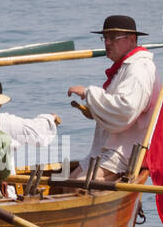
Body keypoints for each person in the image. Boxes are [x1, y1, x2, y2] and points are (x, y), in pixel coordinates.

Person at [66, 15, 156, 182]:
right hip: (109, 147)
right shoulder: (127, 66)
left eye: (113, 38)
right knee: (69, 182)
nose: (107, 43)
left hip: (125, 152)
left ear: (132, 39)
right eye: (105, 38)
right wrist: (95, 110)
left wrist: (89, 94)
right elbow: (117, 106)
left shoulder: (138, 69)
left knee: (79, 185)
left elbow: (125, 109)